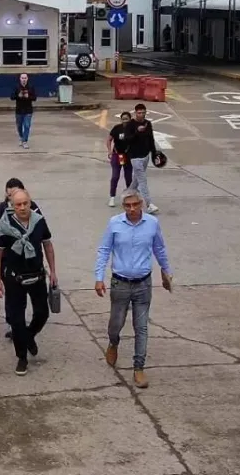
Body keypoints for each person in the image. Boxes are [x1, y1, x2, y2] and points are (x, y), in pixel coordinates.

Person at [94, 188, 173, 389]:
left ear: (142, 204)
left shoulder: (152, 224)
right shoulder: (115, 224)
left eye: (135, 205)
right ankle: (113, 343)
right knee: (116, 323)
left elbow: (159, 248)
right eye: (128, 206)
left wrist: (166, 270)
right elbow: (104, 250)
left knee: (142, 327)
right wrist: (99, 277)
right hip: (120, 283)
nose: (132, 209)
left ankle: (139, 368)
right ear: (123, 207)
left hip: (143, 284)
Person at [0, 188, 57, 376]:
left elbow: (48, 244)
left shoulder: (39, 222)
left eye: (25, 203)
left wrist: (53, 271)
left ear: (30, 203)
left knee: (42, 313)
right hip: (14, 278)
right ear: (12, 206)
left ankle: (29, 337)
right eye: (18, 204)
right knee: (16, 319)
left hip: (37, 275)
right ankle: (21, 357)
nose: (22, 207)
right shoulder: (5, 224)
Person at [0, 178, 43, 340]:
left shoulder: (33, 208)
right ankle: (14, 323)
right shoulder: (2, 210)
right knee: (13, 296)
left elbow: (41, 232)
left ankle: (25, 330)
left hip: (30, 261)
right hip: (8, 261)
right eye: (10, 194)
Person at [125, 103, 159, 214]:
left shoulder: (148, 123)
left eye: (143, 113)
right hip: (135, 157)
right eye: (139, 113)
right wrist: (137, 132)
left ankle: (127, 195)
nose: (141, 115)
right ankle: (149, 204)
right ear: (135, 113)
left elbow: (151, 139)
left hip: (145, 156)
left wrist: (154, 154)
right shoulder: (130, 125)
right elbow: (127, 140)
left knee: (137, 179)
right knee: (142, 180)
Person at [106, 111, 134, 207]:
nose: (125, 121)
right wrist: (110, 151)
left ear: (130, 119)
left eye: (127, 119)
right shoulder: (117, 128)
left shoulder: (133, 129)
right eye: (123, 119)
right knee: (115, 177)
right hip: (117, 155)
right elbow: (109, 140)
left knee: (128, 177)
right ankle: (112, 197)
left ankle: (129, 196)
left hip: (128, 156)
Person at [12, 73, 37, 149]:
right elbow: (12, 97)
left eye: (25, 78)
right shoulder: (16, 87)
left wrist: (28, 96)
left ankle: (25, 141)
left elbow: (35, 98)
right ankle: (21, 136)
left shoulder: (31, 87)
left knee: (27, 126)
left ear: (27, 79)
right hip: (19, 110)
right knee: (19, 126)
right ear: (20, 79)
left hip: (28, 110)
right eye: (22, 78)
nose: (24, 79)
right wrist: (18, 96)